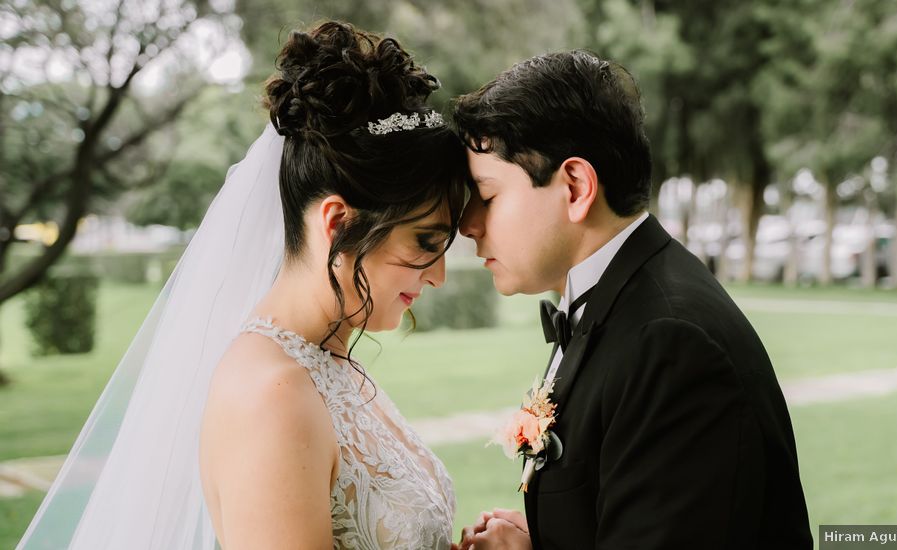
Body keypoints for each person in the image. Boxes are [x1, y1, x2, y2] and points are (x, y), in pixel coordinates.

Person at [17, 21, 465, 550]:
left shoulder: (328, 362)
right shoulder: (270, 395)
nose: (436, 274)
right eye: (425, 242)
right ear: (339, 223)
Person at [453, 50, 813, 549]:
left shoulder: (672, 344)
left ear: (576, 186)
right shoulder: (614, 299)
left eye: (487, 197)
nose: (468, 226)